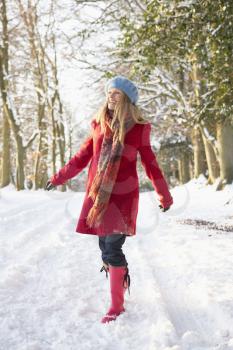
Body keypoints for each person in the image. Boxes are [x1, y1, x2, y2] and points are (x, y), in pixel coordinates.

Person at [45, 75, 173, 323]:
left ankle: (116, 306)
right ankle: (121, 278)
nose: (110, 96)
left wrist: (164, 195)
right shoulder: (98, 124)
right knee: (104, 248)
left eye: (116, 93)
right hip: (99, 197)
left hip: (123, 198)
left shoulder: (139, 129)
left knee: (113, 248)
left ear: (127, 99)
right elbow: (81, 157)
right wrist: (58, 177)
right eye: (109, 92)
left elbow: (151, 165)